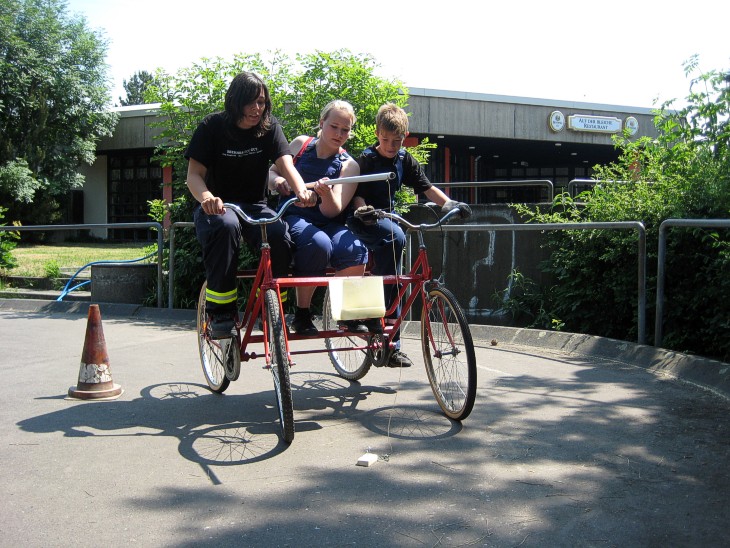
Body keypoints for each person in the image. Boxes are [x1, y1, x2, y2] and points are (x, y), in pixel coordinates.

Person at [185, 71, 316, 339]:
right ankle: (221, 313)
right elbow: (193, 175)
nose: (257, 109)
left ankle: (268, 303)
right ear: (235, 101)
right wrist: (207, 197)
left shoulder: (269, 128)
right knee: (226, 227)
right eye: (251, 102)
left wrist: (302, 190)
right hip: (217, 206)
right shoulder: (211, 127)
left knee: (279, 235)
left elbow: (285, 164)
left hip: (255, 205)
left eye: (262, 102)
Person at [348, 103, 471, 367]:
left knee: (400, 278)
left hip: (388, 219)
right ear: (377, 135)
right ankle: (378, 298)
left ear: (404, 137)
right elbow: (355, 192)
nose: (391, 145)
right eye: (385, 140)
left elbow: (426, 188)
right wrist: (363, 211)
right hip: (362, 218)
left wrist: (449, 204)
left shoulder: (404, 160)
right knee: (397, 242)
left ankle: (393, 346)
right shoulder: (367, 159)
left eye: (397, 140)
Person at [268, 100, 378, 336]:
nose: (339, 134)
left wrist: (326, 194)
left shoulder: (349, 166)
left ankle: (347, 314)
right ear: (322, 122)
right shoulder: (300, 144)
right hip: (294, 215)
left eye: (345, 130)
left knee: (357, 249)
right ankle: (303, 313)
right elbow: (272, 171)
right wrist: (277, 181)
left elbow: (333, 211)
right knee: (317, 243)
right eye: (334, 126)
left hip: (329, 221)